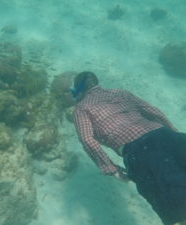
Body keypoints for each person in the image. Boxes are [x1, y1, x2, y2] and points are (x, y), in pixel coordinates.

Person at [71, 71, 186, 225]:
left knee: (173, 206)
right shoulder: (121, 93)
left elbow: (87, 140)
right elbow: (154, 112)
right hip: (167, 135)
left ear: (79, 90)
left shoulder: (81, 108)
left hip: (140, 149)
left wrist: (110, 168)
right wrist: (173, 135)